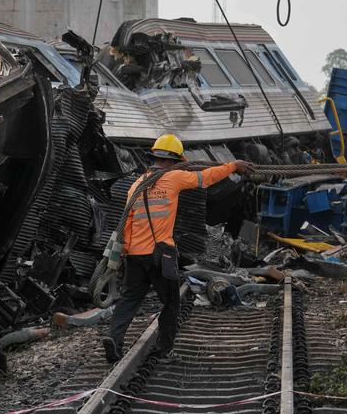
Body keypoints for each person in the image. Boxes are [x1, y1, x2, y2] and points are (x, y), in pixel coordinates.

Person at [103, 134, 253, 362]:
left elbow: (128, 222)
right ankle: (164, 351)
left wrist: (124, 253)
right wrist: (233, 165)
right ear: (175, 159)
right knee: (171, 302)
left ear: (154, 156)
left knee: (129, 299)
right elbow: (205, 178)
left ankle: (114, 338)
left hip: (135, 254)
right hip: (160, 254)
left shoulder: (136, 184)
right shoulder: (173, 178)